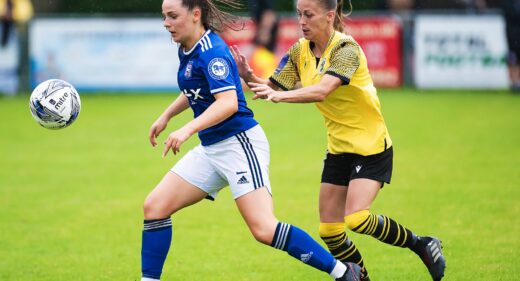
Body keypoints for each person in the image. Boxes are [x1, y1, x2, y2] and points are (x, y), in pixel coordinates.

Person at [140, 0, 363, 280]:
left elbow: (229, 103)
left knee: (264, 229)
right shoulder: (188, 47)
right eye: (164, 17)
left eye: (172, 16)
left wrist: (186, 129)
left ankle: (343, 272)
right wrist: (166, 116)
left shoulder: (213, 53)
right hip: (212, 148)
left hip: (239, 144)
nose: (166, 23)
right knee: (155, 207)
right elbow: (194, 87)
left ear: (196, 14)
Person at [230, 0, 446, 280]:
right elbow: (270, 87)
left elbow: (323, 90)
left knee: (356, 218)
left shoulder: (347, 49)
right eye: (299, 15)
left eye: (309, 15)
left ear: (330, 15)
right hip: (338, 148)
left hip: (370, 146)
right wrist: (250, 77)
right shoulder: (299, 51)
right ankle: (361, 278)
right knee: (329, 231)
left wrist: (280, 96)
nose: (302, 21)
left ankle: (422, 244)